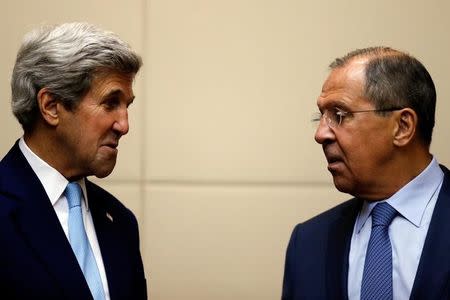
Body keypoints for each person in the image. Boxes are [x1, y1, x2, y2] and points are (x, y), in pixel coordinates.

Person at [282, 47, 450, 300]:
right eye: (321, 116)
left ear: (403, 127)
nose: (320, 134)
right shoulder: (308, 243)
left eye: (339, 115)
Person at [0, 22, 146, 300]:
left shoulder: (121, 222)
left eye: (127, 106)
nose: (124, 125)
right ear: (51, 106)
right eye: (110, 103)